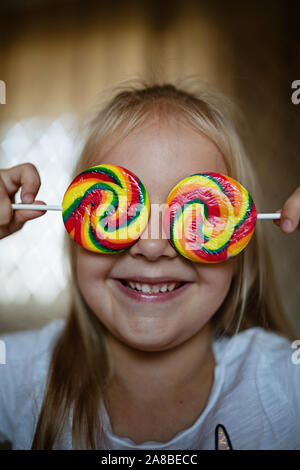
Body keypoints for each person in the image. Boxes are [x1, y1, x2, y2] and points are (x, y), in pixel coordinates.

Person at [0, 80, 299, 450]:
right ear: (77, 229)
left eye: (198, 217)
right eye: (115, 212)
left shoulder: (286, 384)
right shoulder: (18, 374)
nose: (153, 245)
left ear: (237, 243)